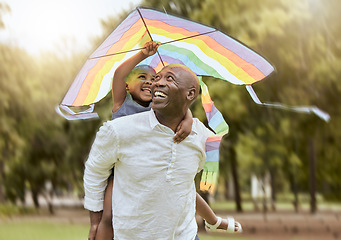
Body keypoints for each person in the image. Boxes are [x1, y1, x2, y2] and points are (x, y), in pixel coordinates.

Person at [86, 42, 241, 240]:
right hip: (118, 171)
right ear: (127, 85)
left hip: (179, 223)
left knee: (185, 188)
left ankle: (213, 221)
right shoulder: (121, 106)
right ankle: (94, 228)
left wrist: (188, 121)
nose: (153, 83)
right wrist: (142, 54)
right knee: (109, 215)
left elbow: (178, 106)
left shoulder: (162, 109)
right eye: (144, 78)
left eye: (157, 79)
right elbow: (119, 74)